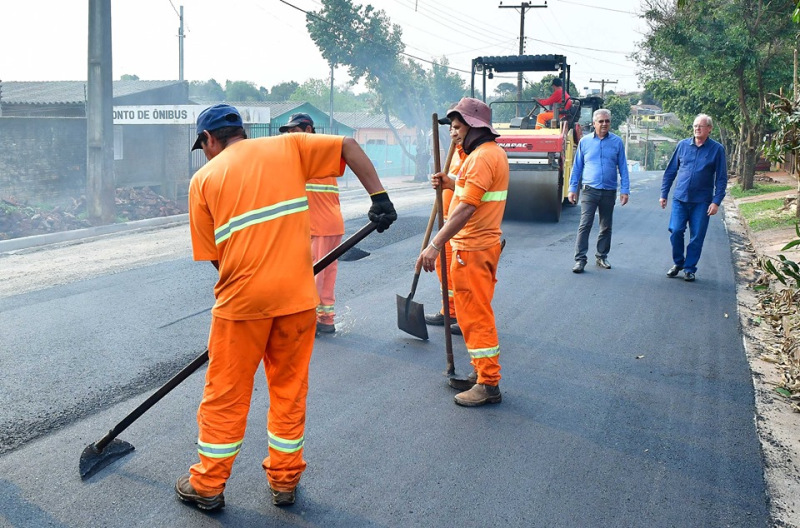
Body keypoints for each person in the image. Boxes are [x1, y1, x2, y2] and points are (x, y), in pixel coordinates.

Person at [176, 103, 396, 510]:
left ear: (208, 140)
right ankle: (284, 482)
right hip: (296, 300)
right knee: (289, 391)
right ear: (241, 131)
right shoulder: (288, 147)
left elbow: (215, 259)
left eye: (202, 145)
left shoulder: (203, 179)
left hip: (241, 305)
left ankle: (207, 485)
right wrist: (379, 197)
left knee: (226, 394)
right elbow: (348, 144)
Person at [417, 97, 509, 407]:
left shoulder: (482, 157)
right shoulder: (485, 154)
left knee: (475, 317)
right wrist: (451, 181)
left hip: (472, 247)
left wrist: (434, 245)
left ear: (473, 126)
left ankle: (488, 384)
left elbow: (467, 208)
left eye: (457, 127)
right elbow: (473, 193)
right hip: (481, 245)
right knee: (472, 315)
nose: (454, 133)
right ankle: (481, 372)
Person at [280, 113, 344, 334]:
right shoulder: (322, 153)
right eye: (288, 133)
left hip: (317, 226)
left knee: (313, 273)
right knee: (326, 272)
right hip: (332, 224)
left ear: (308, 130)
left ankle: (308, 320)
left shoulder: (304, 155)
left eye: (294, 131)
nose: (290, 136)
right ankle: (326, 319)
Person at [660, 113, 727, 282]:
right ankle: (678, 263)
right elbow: (670, 172)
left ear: (709, 129)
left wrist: (716, 201)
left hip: (702, 202)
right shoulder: (683, 145)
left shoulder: (717, 149)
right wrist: (664, 194)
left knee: (697, 236)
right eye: (695, 126)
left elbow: (721, 178)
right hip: (680, 199)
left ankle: (689, 268)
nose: (697, 128)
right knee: (676, 231)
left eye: (701, 126)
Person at [568, 108, 630, 273]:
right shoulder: (585, 142)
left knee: (606, 226)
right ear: (594, 123)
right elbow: (577, 167)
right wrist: (572, 188)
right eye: (601, 121)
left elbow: (623, 167)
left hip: (609, 191)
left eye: (607, 121)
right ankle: (580, 260)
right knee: (585, 224)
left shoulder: (617, 142)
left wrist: (625, 190)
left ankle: (601, 256)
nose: (604, 124)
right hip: (589, 190)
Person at [424, 120, 464, 332]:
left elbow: (470, 185)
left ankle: (463, 316)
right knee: (444, 268)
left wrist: (449, 181)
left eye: (457, 127)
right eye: (450, 128)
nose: (452, 132)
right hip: (447, 219)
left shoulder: (472, 153)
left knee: (459, 273)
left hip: (461, 224)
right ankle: (449, 312)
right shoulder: (457, 152)